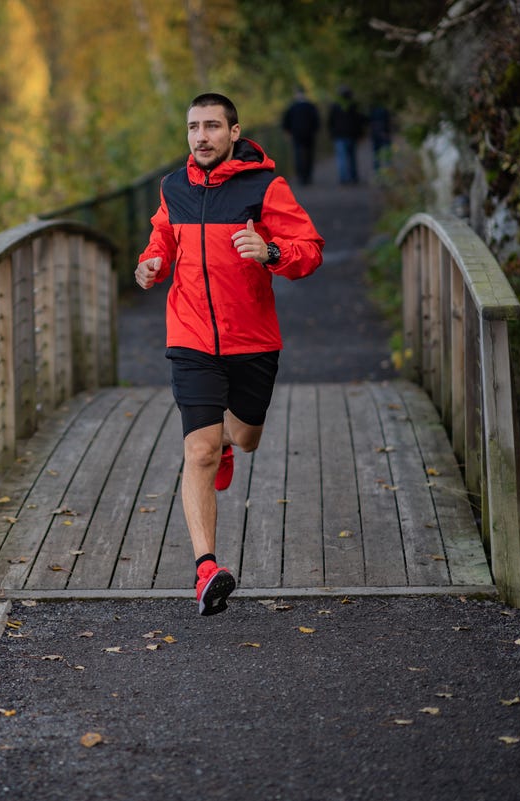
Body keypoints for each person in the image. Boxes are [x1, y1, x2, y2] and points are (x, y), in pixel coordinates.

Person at [135, 93, 324, 617]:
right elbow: (162, 238)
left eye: (213, 127)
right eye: (194, 127)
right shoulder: (173, 186)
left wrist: (272, 252)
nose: (201, 137)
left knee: (245, 436)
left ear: (234, 133)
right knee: (197, 449)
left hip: (252, 340)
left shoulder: (265, 186)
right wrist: (151, 262)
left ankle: (227, 445)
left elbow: (309, 247)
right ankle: (206, 569)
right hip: (190, 336)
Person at [281, 87, 320, 186]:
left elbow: (286, 121)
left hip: (297, 135)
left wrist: (287, 132)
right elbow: (316, 120)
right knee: (308, 155)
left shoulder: (292, 107)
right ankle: (307, 176)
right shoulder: (310, 106)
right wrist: (315, 130)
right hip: (309, 135)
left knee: (298, 156)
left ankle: (301, 177)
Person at [328, 85, 366, 184]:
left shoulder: (335, 106)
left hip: (340, 136)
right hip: (351, 135)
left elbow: (330, 121)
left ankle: (344, 178)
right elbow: (359, 121)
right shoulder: (354, 105)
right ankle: (353, 177)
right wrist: (360, 134)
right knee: (352, 157)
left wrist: (332, 133)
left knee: (342, 158)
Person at [369, 102, 393, 172]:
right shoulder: (384, 110)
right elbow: (388, 122)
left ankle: (378, 172)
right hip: (384, 134)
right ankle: (389, 172)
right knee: (387, 155)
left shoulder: (372, 111)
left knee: (376, 154)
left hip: (375, 135)